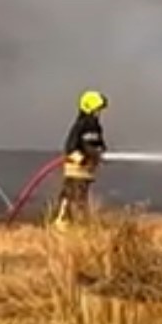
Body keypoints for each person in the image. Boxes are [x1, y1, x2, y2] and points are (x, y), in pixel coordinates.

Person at [54, 90, 108, 228]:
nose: (99, 114)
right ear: (89, 108)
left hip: (87, 171)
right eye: (97, 110)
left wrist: (100, 153)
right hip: (75, 170)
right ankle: (62, 221)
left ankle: (79, 222)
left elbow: (99, 144)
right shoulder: (80, 126)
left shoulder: (96, 128)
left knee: (82, 198)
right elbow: (70, 147)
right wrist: (79, 158)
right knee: (71, 195)